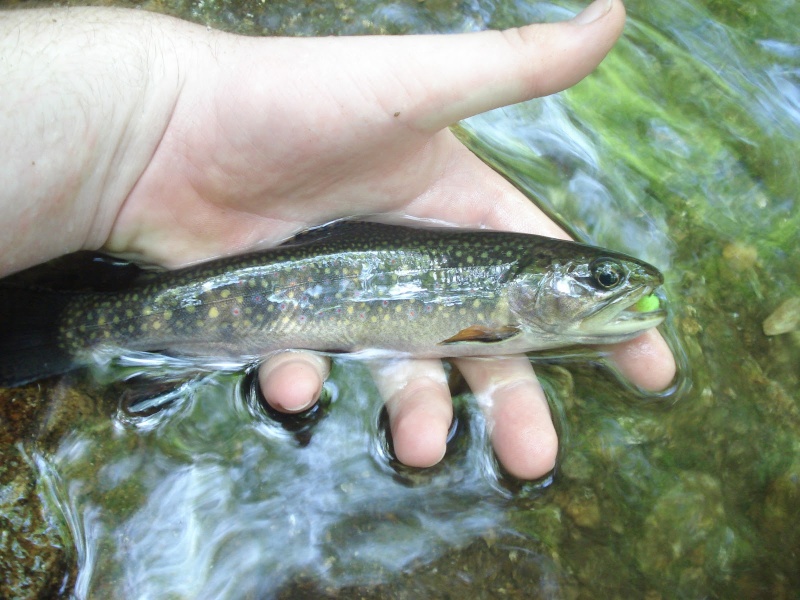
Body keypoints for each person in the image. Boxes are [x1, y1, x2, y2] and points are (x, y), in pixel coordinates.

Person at [0, 0, 675, 479]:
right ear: (526, 283)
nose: (620, 289)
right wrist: (145, 118)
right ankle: (66, 327)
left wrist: (139, 127)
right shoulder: (499, 312)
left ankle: (73, 326)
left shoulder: (507, 307)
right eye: (602, 280)